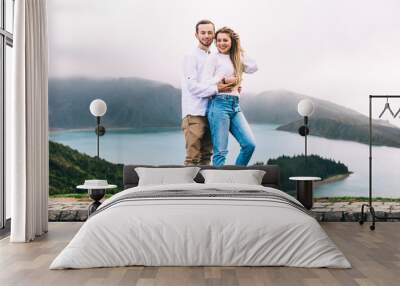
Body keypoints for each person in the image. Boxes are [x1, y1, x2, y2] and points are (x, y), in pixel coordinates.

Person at [202, 27, 258, 166]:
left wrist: (240, 49)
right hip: (219, 104)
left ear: (232, 41)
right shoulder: (213, 58)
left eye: (225, 40)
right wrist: (224, 80)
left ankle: (235, 180)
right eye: (219, 40)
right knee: (220, 152)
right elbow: (205, 82)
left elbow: (253, 67)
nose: (222, 43)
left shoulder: (237, 57)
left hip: (235, 105)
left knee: (249, 145)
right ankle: (218, 187)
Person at [181, 20, 233, 165]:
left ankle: (204, 188)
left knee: (206, 157)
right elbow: (192, 86)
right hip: (194, 113)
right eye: (203, 32)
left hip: (210, 112)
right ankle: (186, 188)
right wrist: (217, 88)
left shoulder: (213, 56)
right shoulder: (191, 56)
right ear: (196, 35)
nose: (206, 36)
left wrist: (231, 86)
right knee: (192, 158)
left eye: (210, 32)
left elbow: (214, 81)